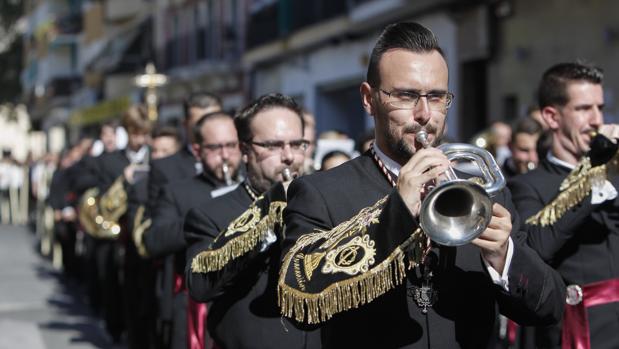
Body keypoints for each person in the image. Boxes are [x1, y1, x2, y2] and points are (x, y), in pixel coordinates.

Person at [278, 22, 565, 348]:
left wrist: (505, 257)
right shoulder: (321, 192)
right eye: (405, 95)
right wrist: (395, 212)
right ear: (369, 99)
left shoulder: (482, 187)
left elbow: (550, 307)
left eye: (437, 96)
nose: (425, 113)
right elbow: (295, 300)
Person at [184, 93, 318, 349]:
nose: (289, 156)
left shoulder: (323, 200)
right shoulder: (209, 214)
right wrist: (268, 213)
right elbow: (199, 286)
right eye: (273, 146)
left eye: (298, 144)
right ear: (245, 151)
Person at [508, 62, 619, 349]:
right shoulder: (527, 184)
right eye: (583, 109)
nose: (596, 120)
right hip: (581, 333)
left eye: (600, 107)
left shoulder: (614, 172)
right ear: (552, 117)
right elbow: (537, 246)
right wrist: (592, 170)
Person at [140, 111, 243, 349]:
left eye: (231, 145)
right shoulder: (177, 191)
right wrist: (206, 218)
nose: (225, 155)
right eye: (215, 148)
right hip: (195, 308)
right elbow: (155, 240)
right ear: (197, 151)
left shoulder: (252, 186)